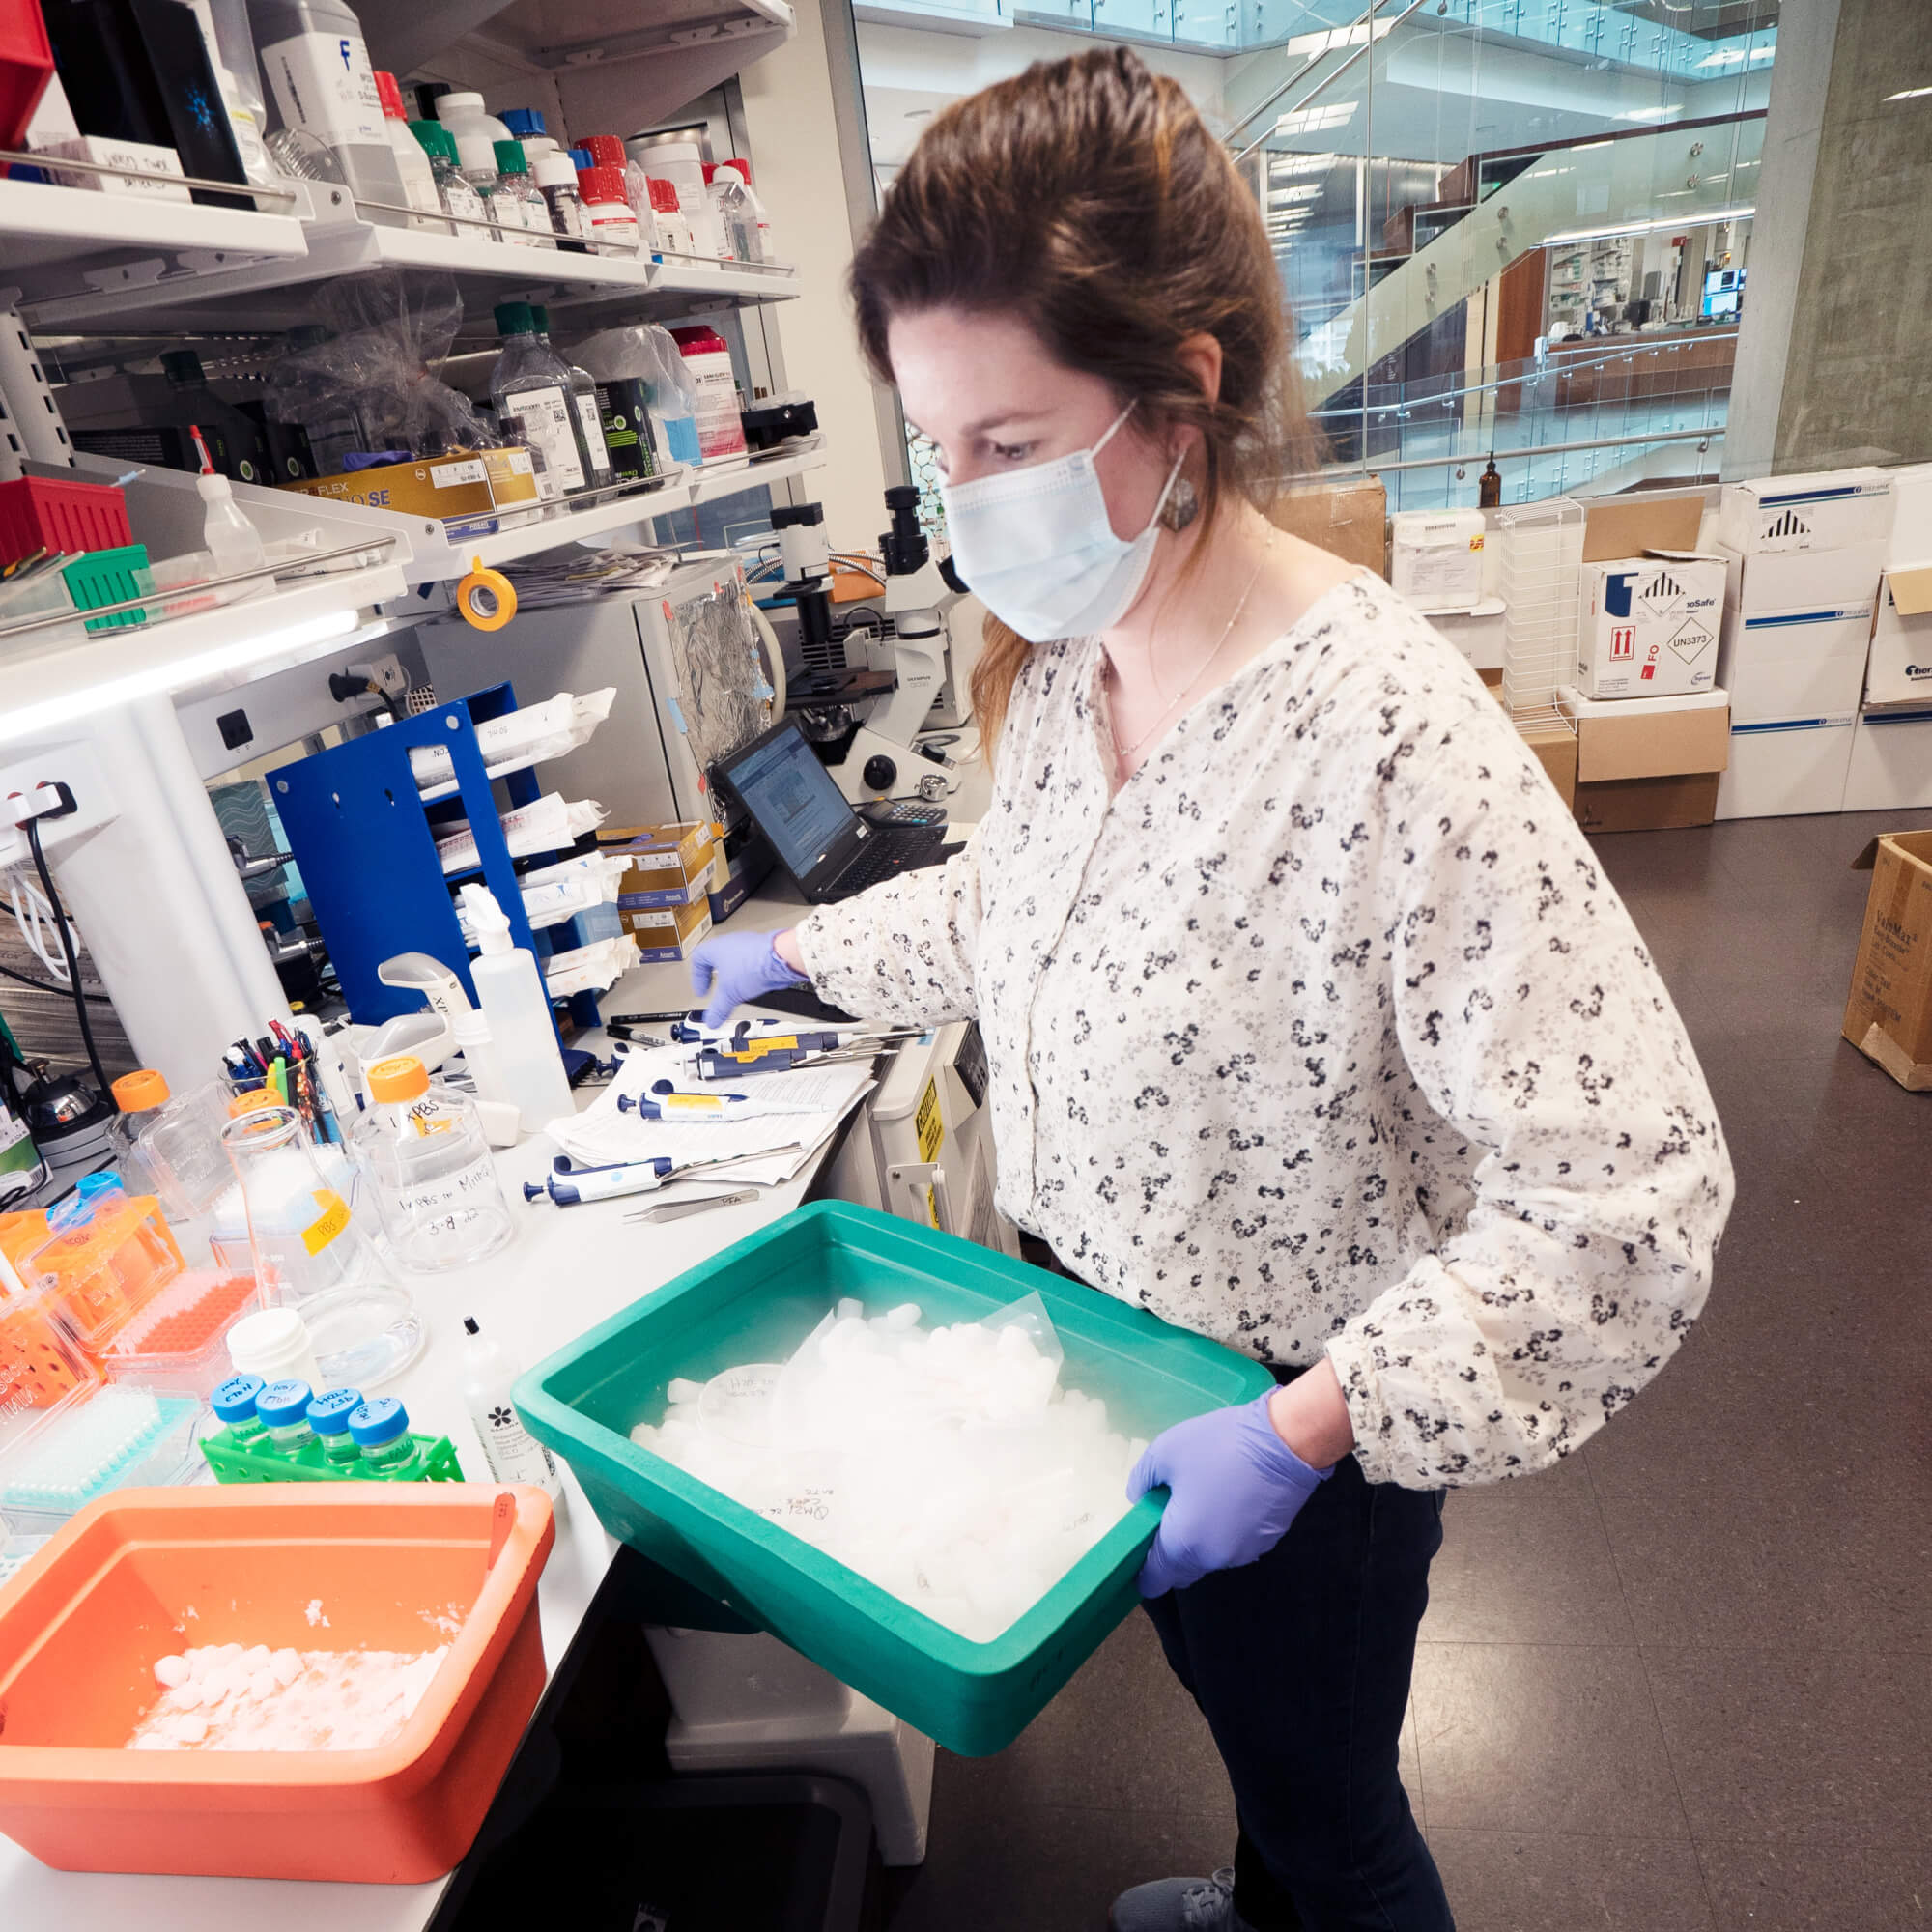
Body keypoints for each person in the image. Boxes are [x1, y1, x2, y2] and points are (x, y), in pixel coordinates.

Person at [689, 46, 1733, 1932]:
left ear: (1183, 395)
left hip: (1291, 1412)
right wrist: (797, 956)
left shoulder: (1386, 734)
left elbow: (1631, 1187)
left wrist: (1307, 1426)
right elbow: (1029, 910)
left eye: (1007, 446)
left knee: (1335, 1806)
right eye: (939, 453)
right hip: (1117, 1341)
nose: (966, 502)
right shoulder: (1081, 659)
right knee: (1266, 1753)